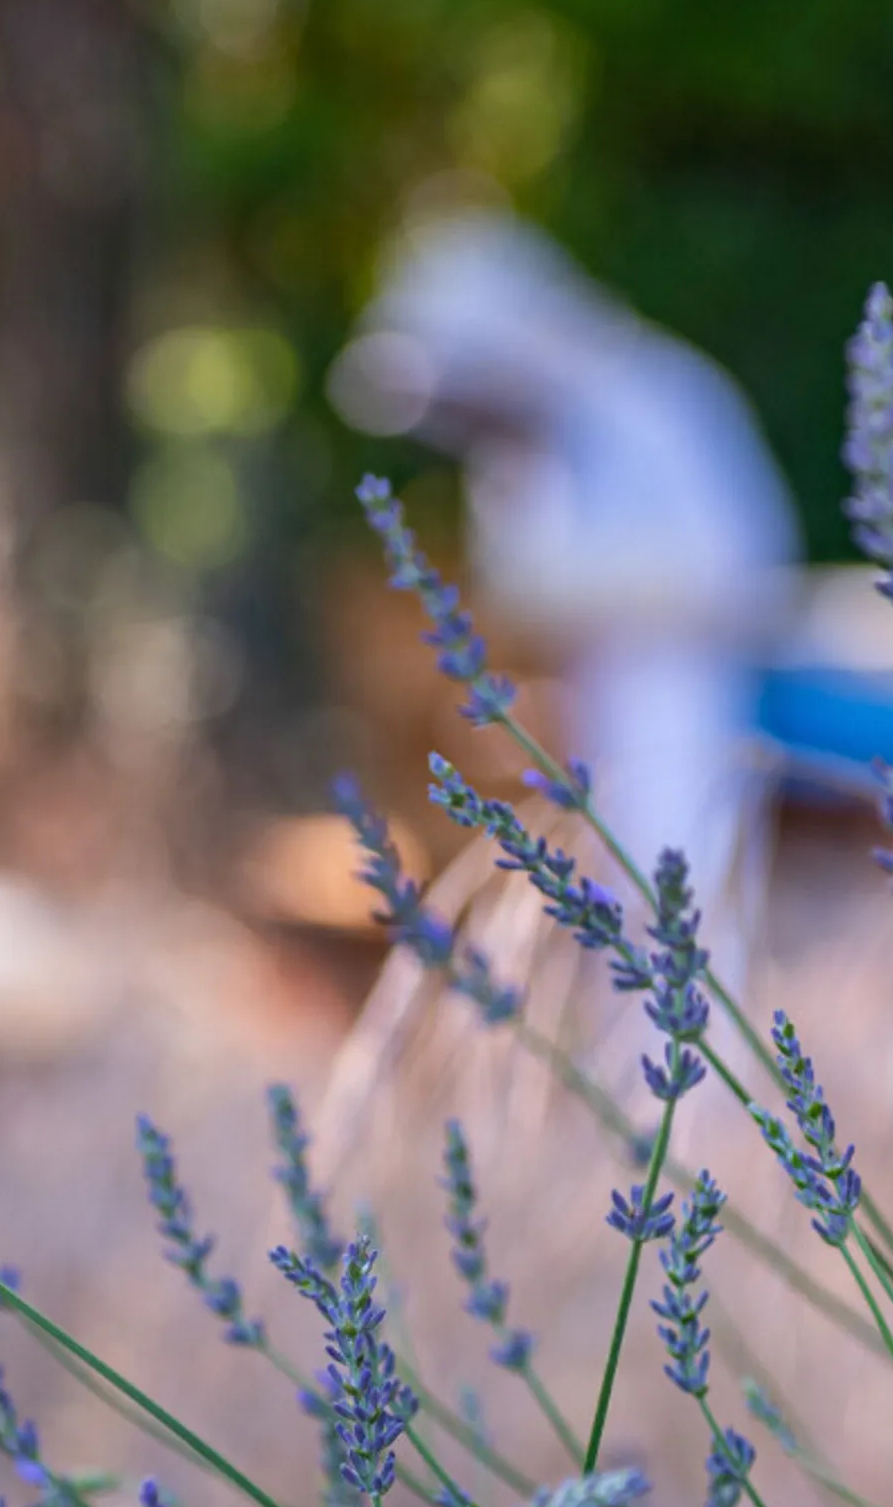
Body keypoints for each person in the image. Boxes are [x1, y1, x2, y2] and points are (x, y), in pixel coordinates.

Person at [336, 208, 802, 988]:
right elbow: (517, 586)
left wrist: (577, 593)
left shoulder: (653, 404)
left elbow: (743, 567)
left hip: (678, 693)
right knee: (603, 926)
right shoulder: (524, 449)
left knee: (679, 891)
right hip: (586, 707)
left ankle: (701, 1090)